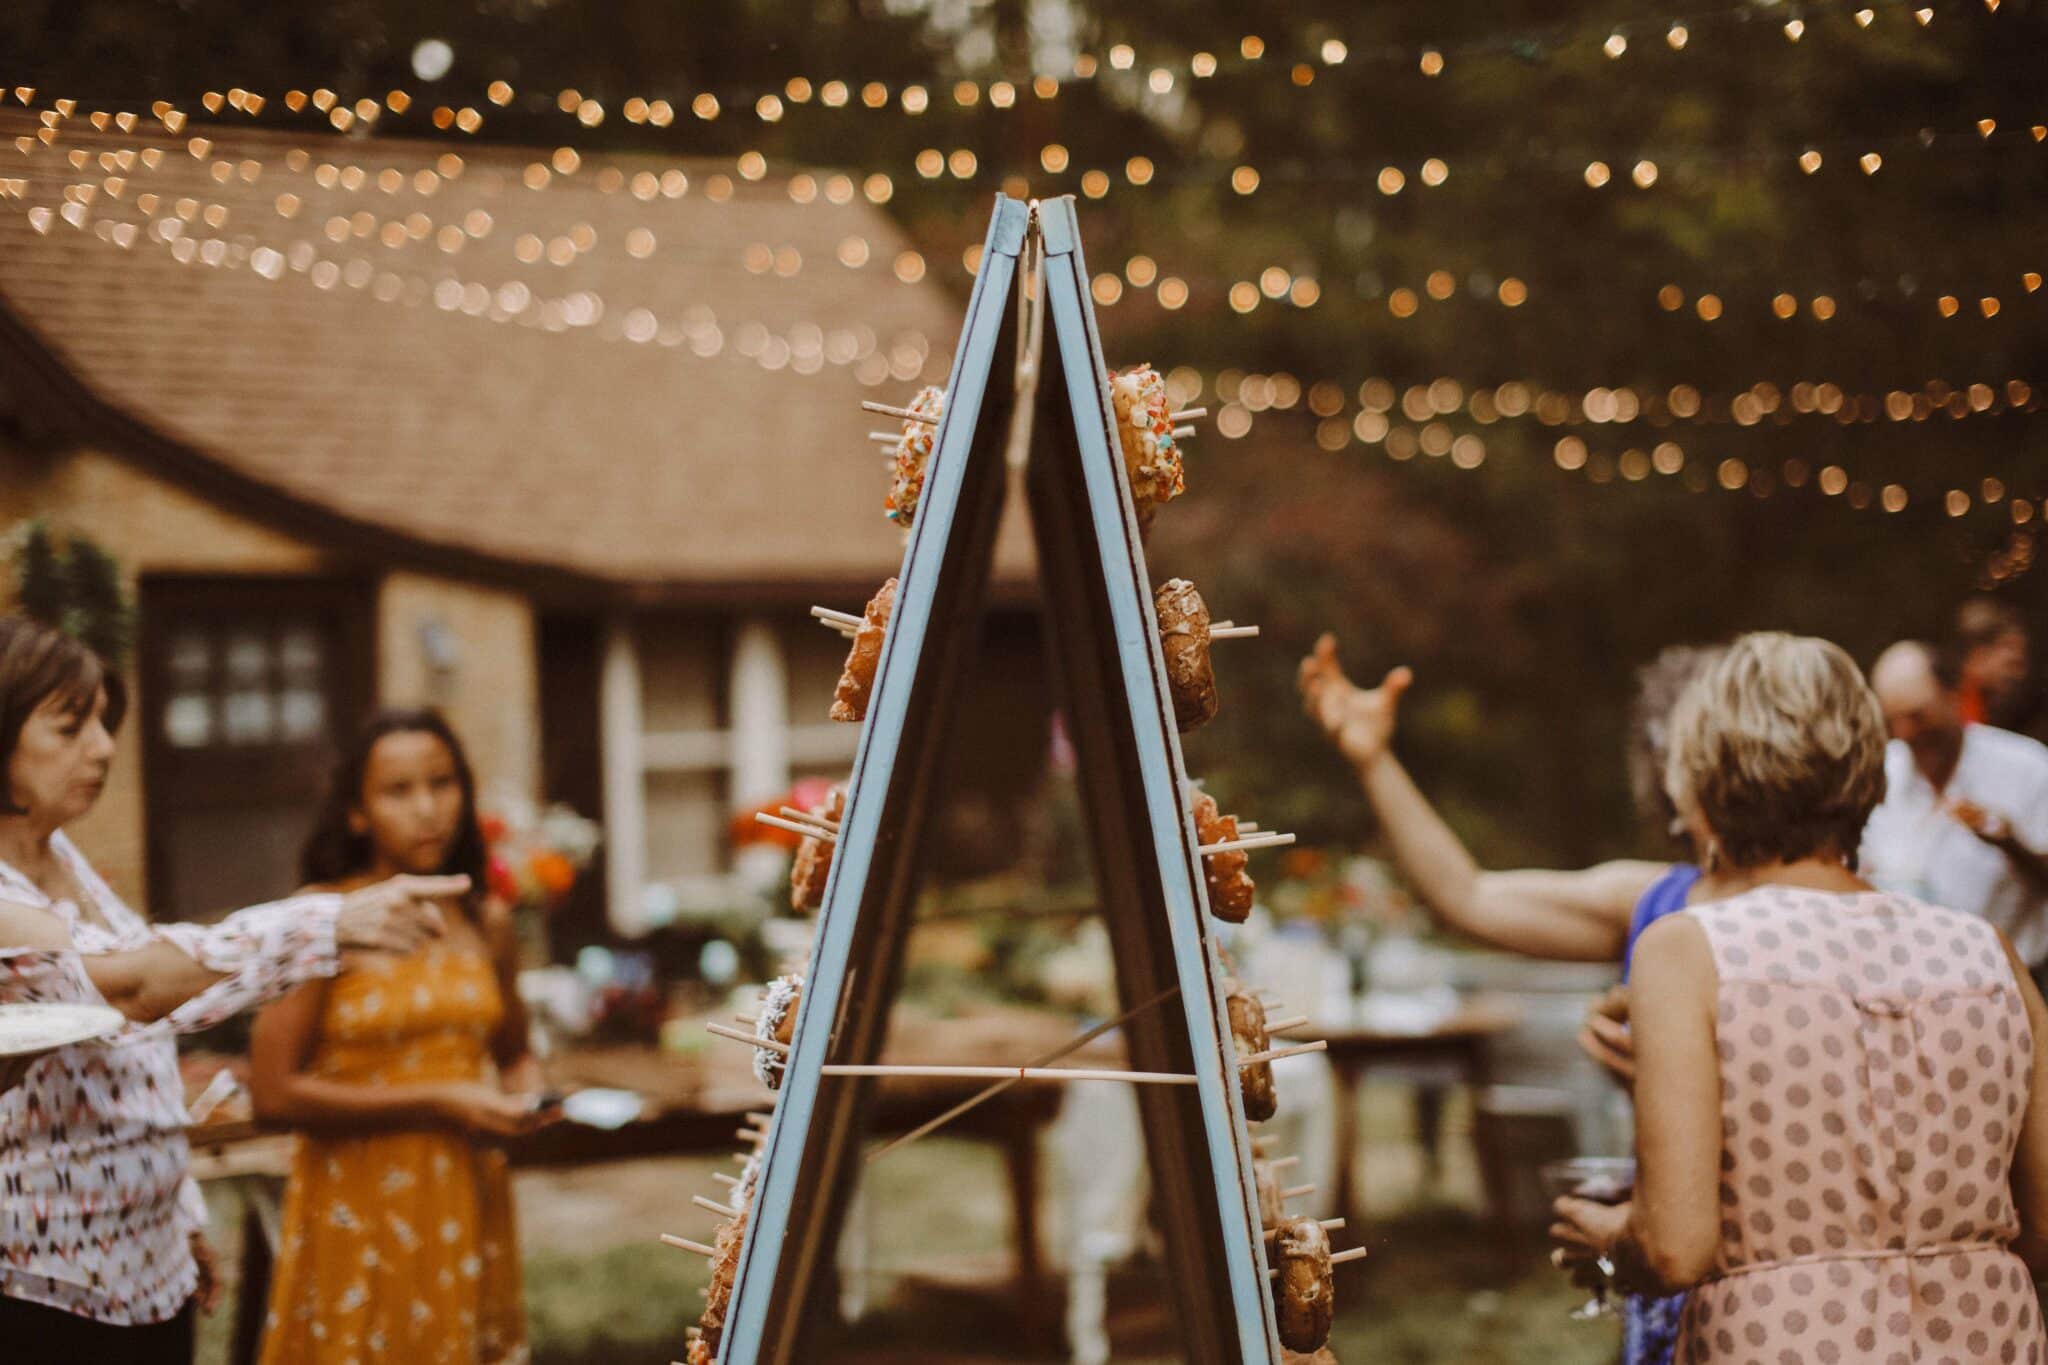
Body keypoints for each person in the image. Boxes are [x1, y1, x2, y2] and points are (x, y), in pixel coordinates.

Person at [1551, 632, 2048, 1363]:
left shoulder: (1689, 952)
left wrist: (1604, 1239)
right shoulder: (1989, 952)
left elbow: (1675, 1249)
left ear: (1699, 779)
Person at [0, 614, 458, 1364]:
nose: (105, 746)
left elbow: (133, 1057)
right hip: (41, 1288)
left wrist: (175, 1220)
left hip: (142, 1274)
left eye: (104, 723)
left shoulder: (65, 859)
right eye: (70, 726)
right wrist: (328, 921)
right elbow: (133, 987)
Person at [1298, 634, 1733, 1365]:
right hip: (1662, 1253)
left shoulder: (1838, 913)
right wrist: (1372, 760)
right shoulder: (1656, 897)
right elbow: (1468, 894)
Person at [251, 710, 553, 1365]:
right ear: (357, 811)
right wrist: (439, 1100)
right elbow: (271, 1094)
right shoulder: (323, 919)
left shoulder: (487, 920)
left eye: (442, 783)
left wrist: (529, 1097)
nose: (427, 808)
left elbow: (514, 1051)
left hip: (462, 1192)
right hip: (354, 1202)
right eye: (398, 790)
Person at [1863, 640, 2048, 979]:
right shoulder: (1880, 773)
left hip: (2013, 982)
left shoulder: (2027, 767)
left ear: (1954, 695)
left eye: (1918, 716)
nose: (1905, 733)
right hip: (1908, 982)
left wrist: (2011, 844)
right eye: (1893, 721)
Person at [1949, 597, 2033, 731]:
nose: (2019, 675)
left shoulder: (1984, 708)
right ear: (1978, 657)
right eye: (2011, 664)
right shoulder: (1956, 713)